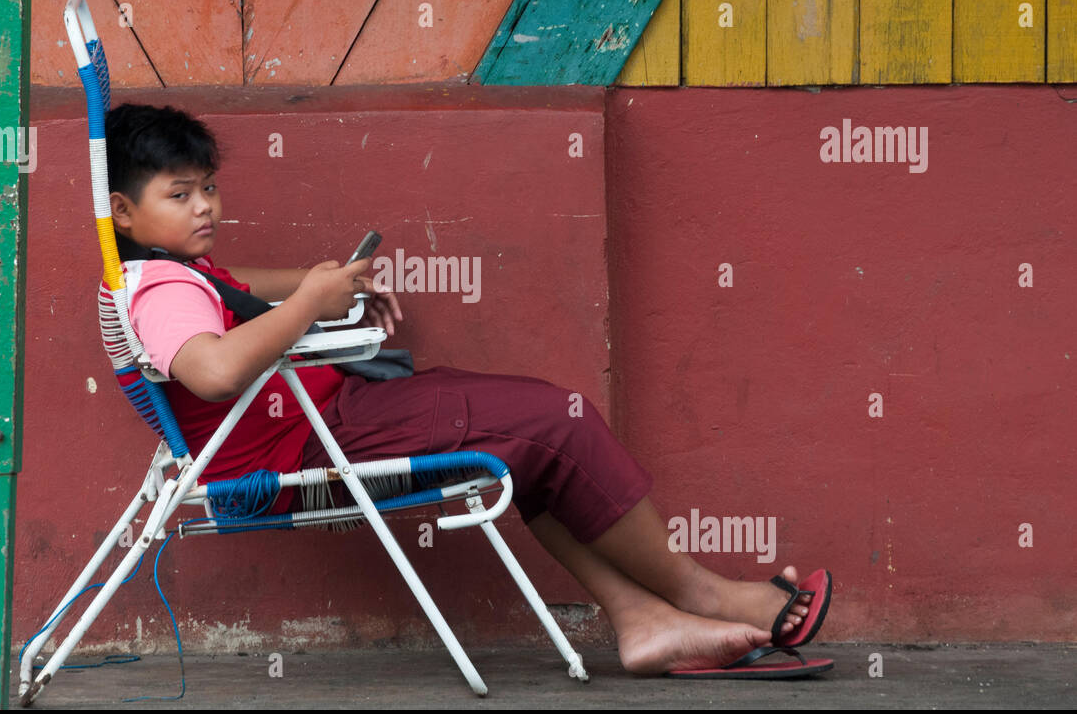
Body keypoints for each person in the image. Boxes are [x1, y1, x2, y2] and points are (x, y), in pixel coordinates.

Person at [105, 103, 832, 678]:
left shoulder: (178, 272)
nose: (205, 206)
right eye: (180, 193)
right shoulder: (162, 287)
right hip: (306, 454)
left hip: (332, 420)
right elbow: (214, 369)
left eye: (209, 187)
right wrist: (309, 303)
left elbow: (249, 289)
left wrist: (331, 283)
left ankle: (643, 621)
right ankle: (702, 593)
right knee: (552, 420)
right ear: (125, 213)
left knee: (526, 437)